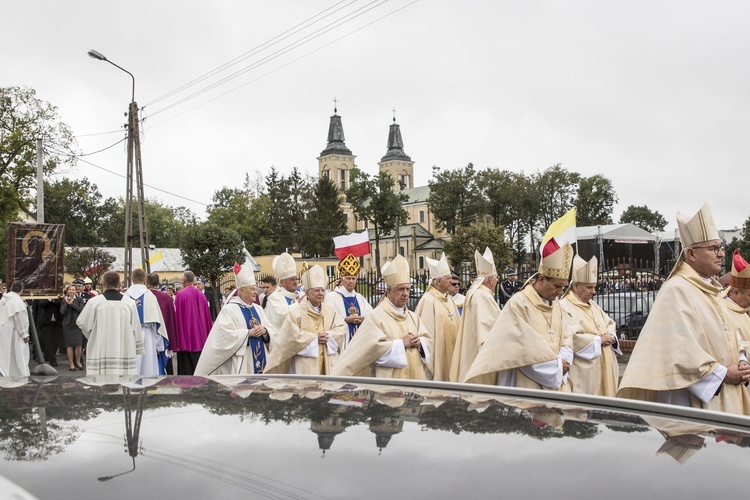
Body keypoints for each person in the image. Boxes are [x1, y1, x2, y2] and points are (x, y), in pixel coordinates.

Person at [617, 203, 750, 414]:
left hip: (729, 393)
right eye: (713, 248)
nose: (721, 254)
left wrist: (741, 360)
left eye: (721, 247)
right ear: (691, 254)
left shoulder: (711, 289)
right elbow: (677, 350)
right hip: (699, 400)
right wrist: (722, 374)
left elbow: (730, 336)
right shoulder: (677, 290)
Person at [464, 242, 578, 390]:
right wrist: (555, 366)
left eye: (563, 287)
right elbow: (518, 349)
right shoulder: (518, 304)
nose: (560, 292)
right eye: (557, 286)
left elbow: (566, 334)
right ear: (542, 279)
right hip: (527, 385)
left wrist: (564, 357)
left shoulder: (555, 303)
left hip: (558, 379)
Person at [333, 255, 432, 379]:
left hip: (416, 383)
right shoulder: (376, 317)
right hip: (391, 389)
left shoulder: (413, 317)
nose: (406, 294)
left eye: (408, 289)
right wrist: (401, 344)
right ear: (389, 291)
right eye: (401, 289)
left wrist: (420, 344)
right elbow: (371, 352)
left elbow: (428, 344)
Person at [195, 262, 276, 376]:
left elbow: (272, 330)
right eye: (252, 288)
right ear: (241, 291)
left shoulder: (258, 309)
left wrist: (265, 331)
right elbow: (223, 337)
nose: (255, 292)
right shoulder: (229, 309)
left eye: (255, 288)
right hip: (243, 362)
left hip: (262, 360)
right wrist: (248, 334)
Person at [265, 265, 346, 375]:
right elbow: (290, 337)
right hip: (305, 364)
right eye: (316, 290)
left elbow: (341, 329)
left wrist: (329, 336)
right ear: (307, 293)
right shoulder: (295, 312)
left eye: (322, 290)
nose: (321, 293)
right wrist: (314, 339)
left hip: (328, 361)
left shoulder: (330, 310)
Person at [559, 255, 620, 397]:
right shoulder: (564, 307)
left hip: (604, 363)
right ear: (576, 285)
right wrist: (599, 340)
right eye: (589, 287)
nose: (593, 291)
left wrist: (611, 336)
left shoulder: (592, 305)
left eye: (594, 287)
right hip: (584, 371)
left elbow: (609, 323)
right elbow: (571, 337)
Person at [76, 271, 144, 375]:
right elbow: (136, 328)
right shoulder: (129, 304)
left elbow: (83, 324)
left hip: (100, 351)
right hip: (124, 350)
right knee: (123, 385)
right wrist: (138, 348)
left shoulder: (94, 303)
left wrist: (94, 336)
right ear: (119, 284)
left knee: (100, 386)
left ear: (103, 285)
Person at [449, 248, 501, 382]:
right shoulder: (483, 296)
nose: (497, 281)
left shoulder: (476, 292)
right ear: (490, 280)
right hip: (480, 359)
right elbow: (487, 331)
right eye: (496, 277)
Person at [415, 253, 460, 381]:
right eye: (448, 278)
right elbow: (426, 335)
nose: (451, 281)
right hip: (438, 355)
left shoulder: (449, 300)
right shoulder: (428, 300)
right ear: (439, 281)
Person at [324, 254, 373, 349]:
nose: (351, 281)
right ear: (342, 280)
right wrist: (345, 320)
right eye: (348, 278)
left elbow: (371, 315)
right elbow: (328, 318)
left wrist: (363, 318)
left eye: (353, 278)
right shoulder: (332, 297)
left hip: (360, 339)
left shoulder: (360, 298)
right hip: (343, 342)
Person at [126, 269, 168, 376]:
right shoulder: (150, 296)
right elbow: (156, 324)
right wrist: (159, 345)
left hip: (129, 334)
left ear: (132, 279)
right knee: (148, 365)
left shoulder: (125, 296)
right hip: (147, 335)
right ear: (145, 279)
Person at [173, 271, 214, 375]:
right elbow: (207, 316)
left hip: (185, 339)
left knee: (186, 373)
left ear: (183, 280)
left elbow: (177, 317)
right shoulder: (201, 295)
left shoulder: (180, 295)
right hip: (200, 338)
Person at [147, 273, 178, 374]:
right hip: (164, 336)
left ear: (146, 282)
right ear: (158, 283)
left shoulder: (144, 297)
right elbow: (171, 319)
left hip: (147, 337)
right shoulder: (166, 298)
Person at [0, 280, 30, 377]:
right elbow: (20, 320)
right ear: (21, 290)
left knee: (6, 354)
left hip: (4, 330)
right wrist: (24, 334)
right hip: (15, 332)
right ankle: (22, 375)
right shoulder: (17, 301)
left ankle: (6, 374)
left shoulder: (4, 299)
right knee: (19, 354)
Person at [264, 253, 300, 330]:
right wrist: (299, 303)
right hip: (282, 338)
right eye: (291, 279)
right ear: (282, 283)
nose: (295, 282)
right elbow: (283, 316)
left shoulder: (300, 295)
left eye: (295, 279)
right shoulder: (275, 297)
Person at [724, 250, 750, 348]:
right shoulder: (724, 311)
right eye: (749, 295)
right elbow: (733, 345)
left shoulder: (741, 309)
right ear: (736, 292)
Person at [60, 283, 85, 371]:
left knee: (78, 344)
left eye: (73, 290)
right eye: (70, 290)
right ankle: (71, 363)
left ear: (75, 291)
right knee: (69, 345)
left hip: (77, 324)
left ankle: (78, 362)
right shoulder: (64, 300)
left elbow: (81, 310)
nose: (71, 291)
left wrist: (72, 304)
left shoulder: (79, 299)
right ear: (67, 291)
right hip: (67, 325)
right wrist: (67, 302)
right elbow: (62, 312)